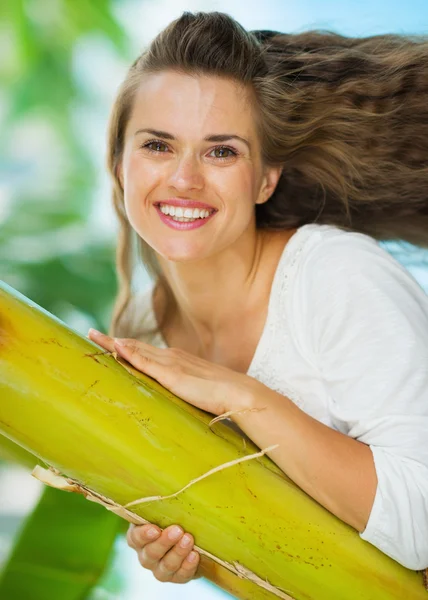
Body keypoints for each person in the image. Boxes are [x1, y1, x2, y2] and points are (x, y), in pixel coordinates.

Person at [88, 11, 428, 586]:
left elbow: (421, 522)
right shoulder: (145, 330)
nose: (185, 180)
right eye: (157, 145)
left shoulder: (335, 278)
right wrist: (188, 551)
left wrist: (238, 394)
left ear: (265, 177)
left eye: (221, 152)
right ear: (120, 165)